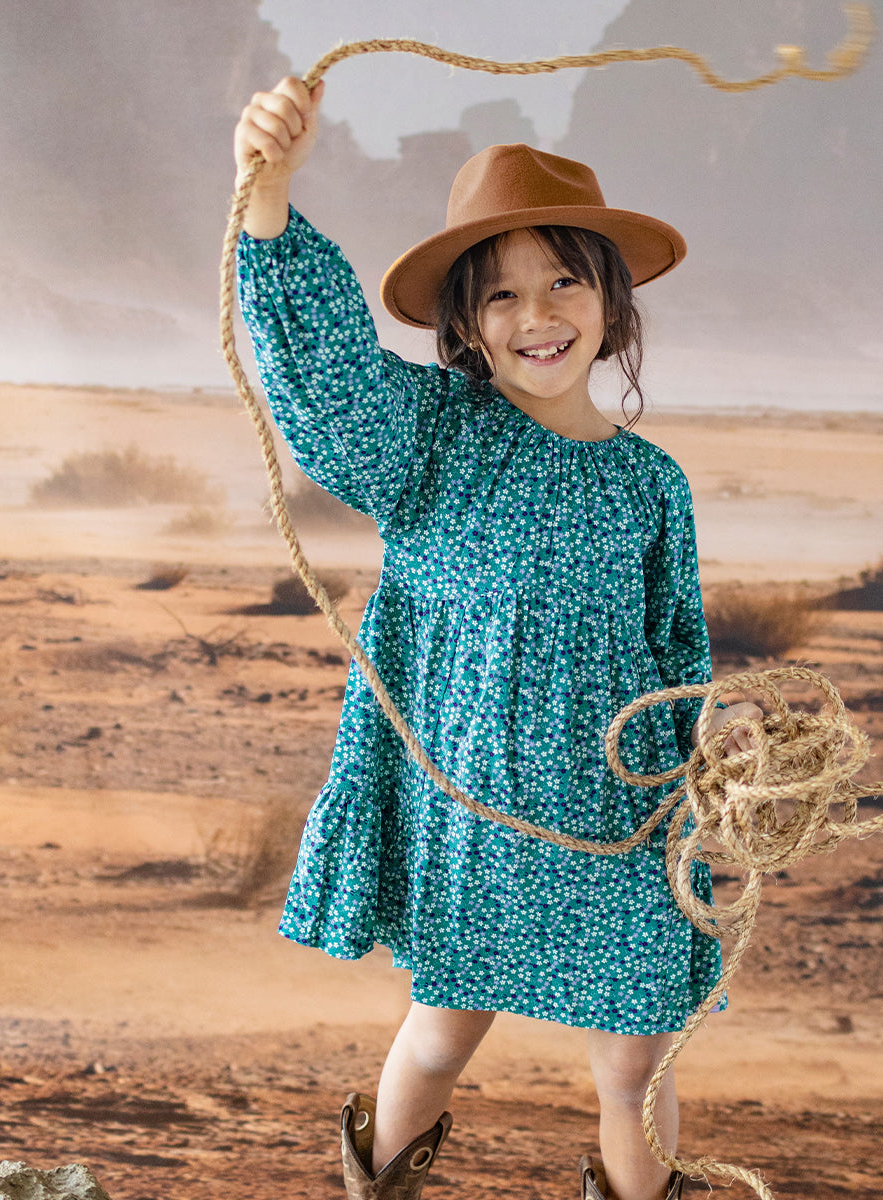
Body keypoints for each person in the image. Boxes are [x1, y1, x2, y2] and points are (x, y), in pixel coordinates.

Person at [233, 76, 759, 1200]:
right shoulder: (429, 438)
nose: (538, 315)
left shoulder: (650, 484)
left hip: (621, 827)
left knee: (635, 1058)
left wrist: (718, 728)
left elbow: (677, 649)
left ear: (612, 301)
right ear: (466, 327)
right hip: (472, 809)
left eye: (564, 279)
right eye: (503, 295)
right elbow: (324, 385)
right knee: (438, 1032)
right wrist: (270, 198)